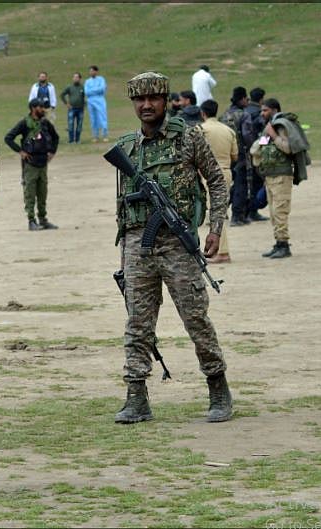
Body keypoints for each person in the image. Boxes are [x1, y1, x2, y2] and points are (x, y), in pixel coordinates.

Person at [113, 72, 232, 425]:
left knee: (195, 317)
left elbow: (217, 183)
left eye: (153, 99)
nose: (146, 105)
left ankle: (218, 387)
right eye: (139, 100)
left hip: (178, 245)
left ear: (166, 101)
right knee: (137, 322)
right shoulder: (128, 147)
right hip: (137, 245)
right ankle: (136, 396)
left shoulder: (188, 138)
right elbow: (122, 204)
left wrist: (215, 229)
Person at [251, 98, 311, 259]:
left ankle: (284, 245)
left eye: (265, 110)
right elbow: (259, 148)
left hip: (282, 176)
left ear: (274, 109)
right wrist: (264, 138)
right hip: (270, 176)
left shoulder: (282, 126)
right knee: (273, 212)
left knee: (280, 212)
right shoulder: (270, 127)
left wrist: (273, 135)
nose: (262, 113)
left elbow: (289, 148)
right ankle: (278, 243)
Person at [5, 98, 60, 230]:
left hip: (43, 163)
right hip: (30, 164)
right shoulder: (25, 123)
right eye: (41, 107)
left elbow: (55, 137)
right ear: (33, 108)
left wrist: (52, 152)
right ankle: (31, 220)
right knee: (30, 193)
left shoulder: (45, 123)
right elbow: (8, 138)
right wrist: (20, 151)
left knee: (42, 193)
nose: (43, 109)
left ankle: (43, 219)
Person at [199, 99, 238, 264]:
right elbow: (235, 156)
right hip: (226, 172)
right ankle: (220, 250)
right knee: (220, 210)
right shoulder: (228, 130)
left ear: (203, 113)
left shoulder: (200, 129)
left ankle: (222, 252)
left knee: (215, 214)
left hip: (209, 174)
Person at [234, 87, 270, 225]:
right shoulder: (259, 114)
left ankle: (243, 211)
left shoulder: (245, 111)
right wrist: (262, 146)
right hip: (254, 153)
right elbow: (262, 135)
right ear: (261, 99)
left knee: (242, 183)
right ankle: (252, 211)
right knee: (256, 183)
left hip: (241, 153)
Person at [221, 87, 251, 227]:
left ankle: (224, 209)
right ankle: (238, 216)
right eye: (247, 98)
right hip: (241, 155)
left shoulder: (225, 115)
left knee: (230, 184)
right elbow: (247, 135)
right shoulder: (244, 115)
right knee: (241, 184)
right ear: (243, 99)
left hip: (226, 154)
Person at [60, 72, 85, 143]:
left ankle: (77, 140)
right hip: (71, 109)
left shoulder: (83, 87)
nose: (75, 79)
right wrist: (66, 103)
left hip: (80, 109)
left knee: (79, 125)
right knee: (70, 124)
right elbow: (62, 95)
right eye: (74, 77)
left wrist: (84, 103)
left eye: (77, 77)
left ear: (80, 79)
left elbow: (86, 96)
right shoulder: (69, 87)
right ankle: (71, 140)